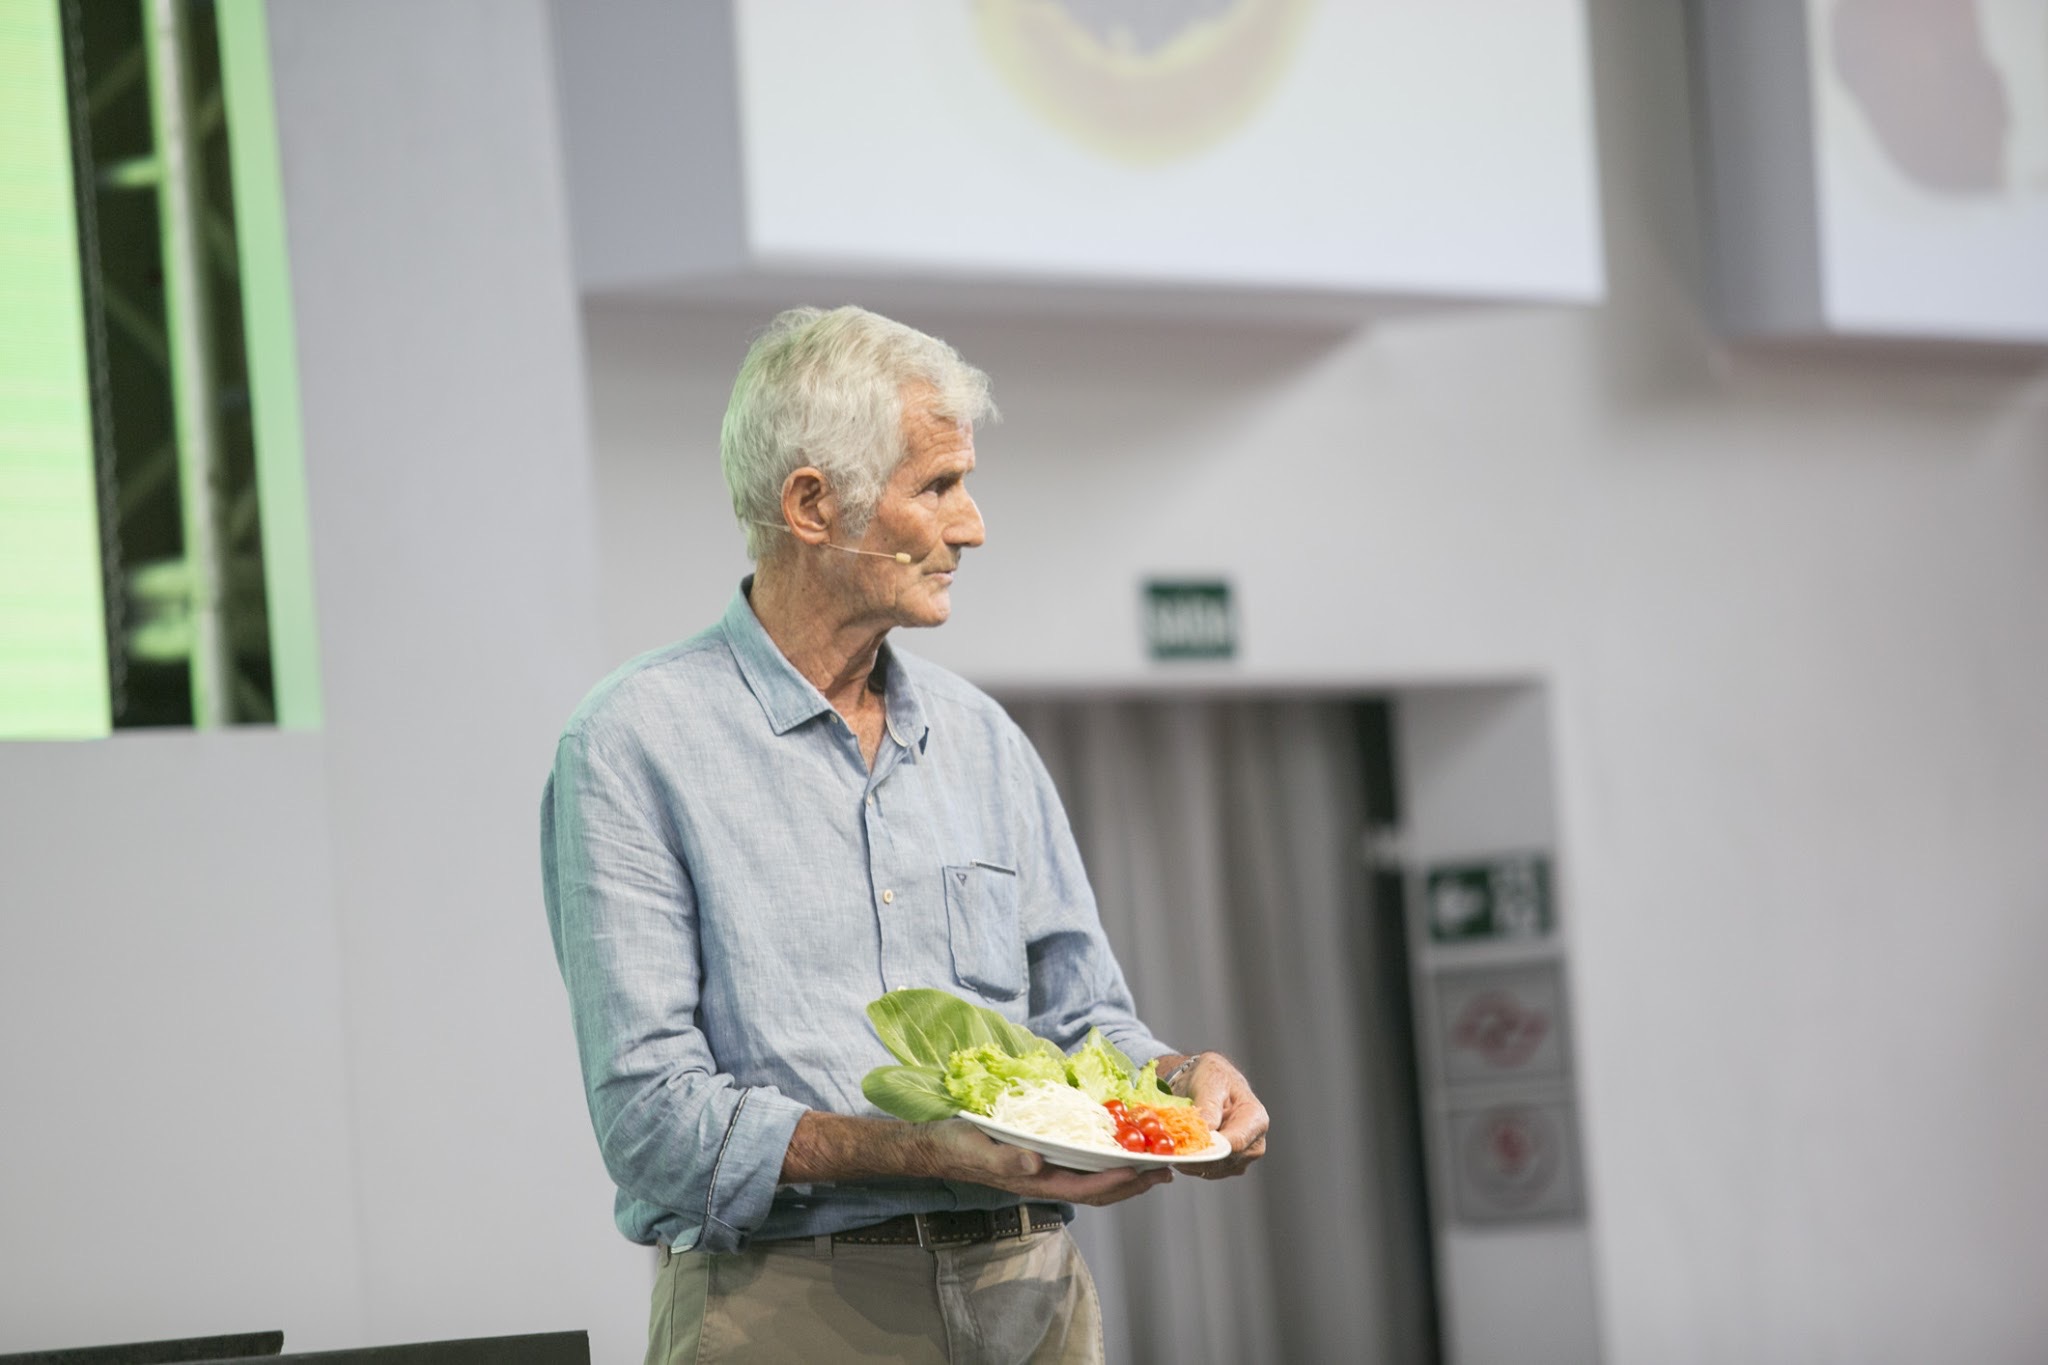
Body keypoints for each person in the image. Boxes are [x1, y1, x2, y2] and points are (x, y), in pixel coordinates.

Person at [542, 306, 1269, 1364]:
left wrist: (1177, 1085)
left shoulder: (981, 740)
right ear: (810, 504)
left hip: (1035, 1294)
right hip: (791, 1309)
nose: (970, 527)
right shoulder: (631, 743)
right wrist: (926, 1153)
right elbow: (652, 1120)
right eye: (936, 487)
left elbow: (1084, 1019)